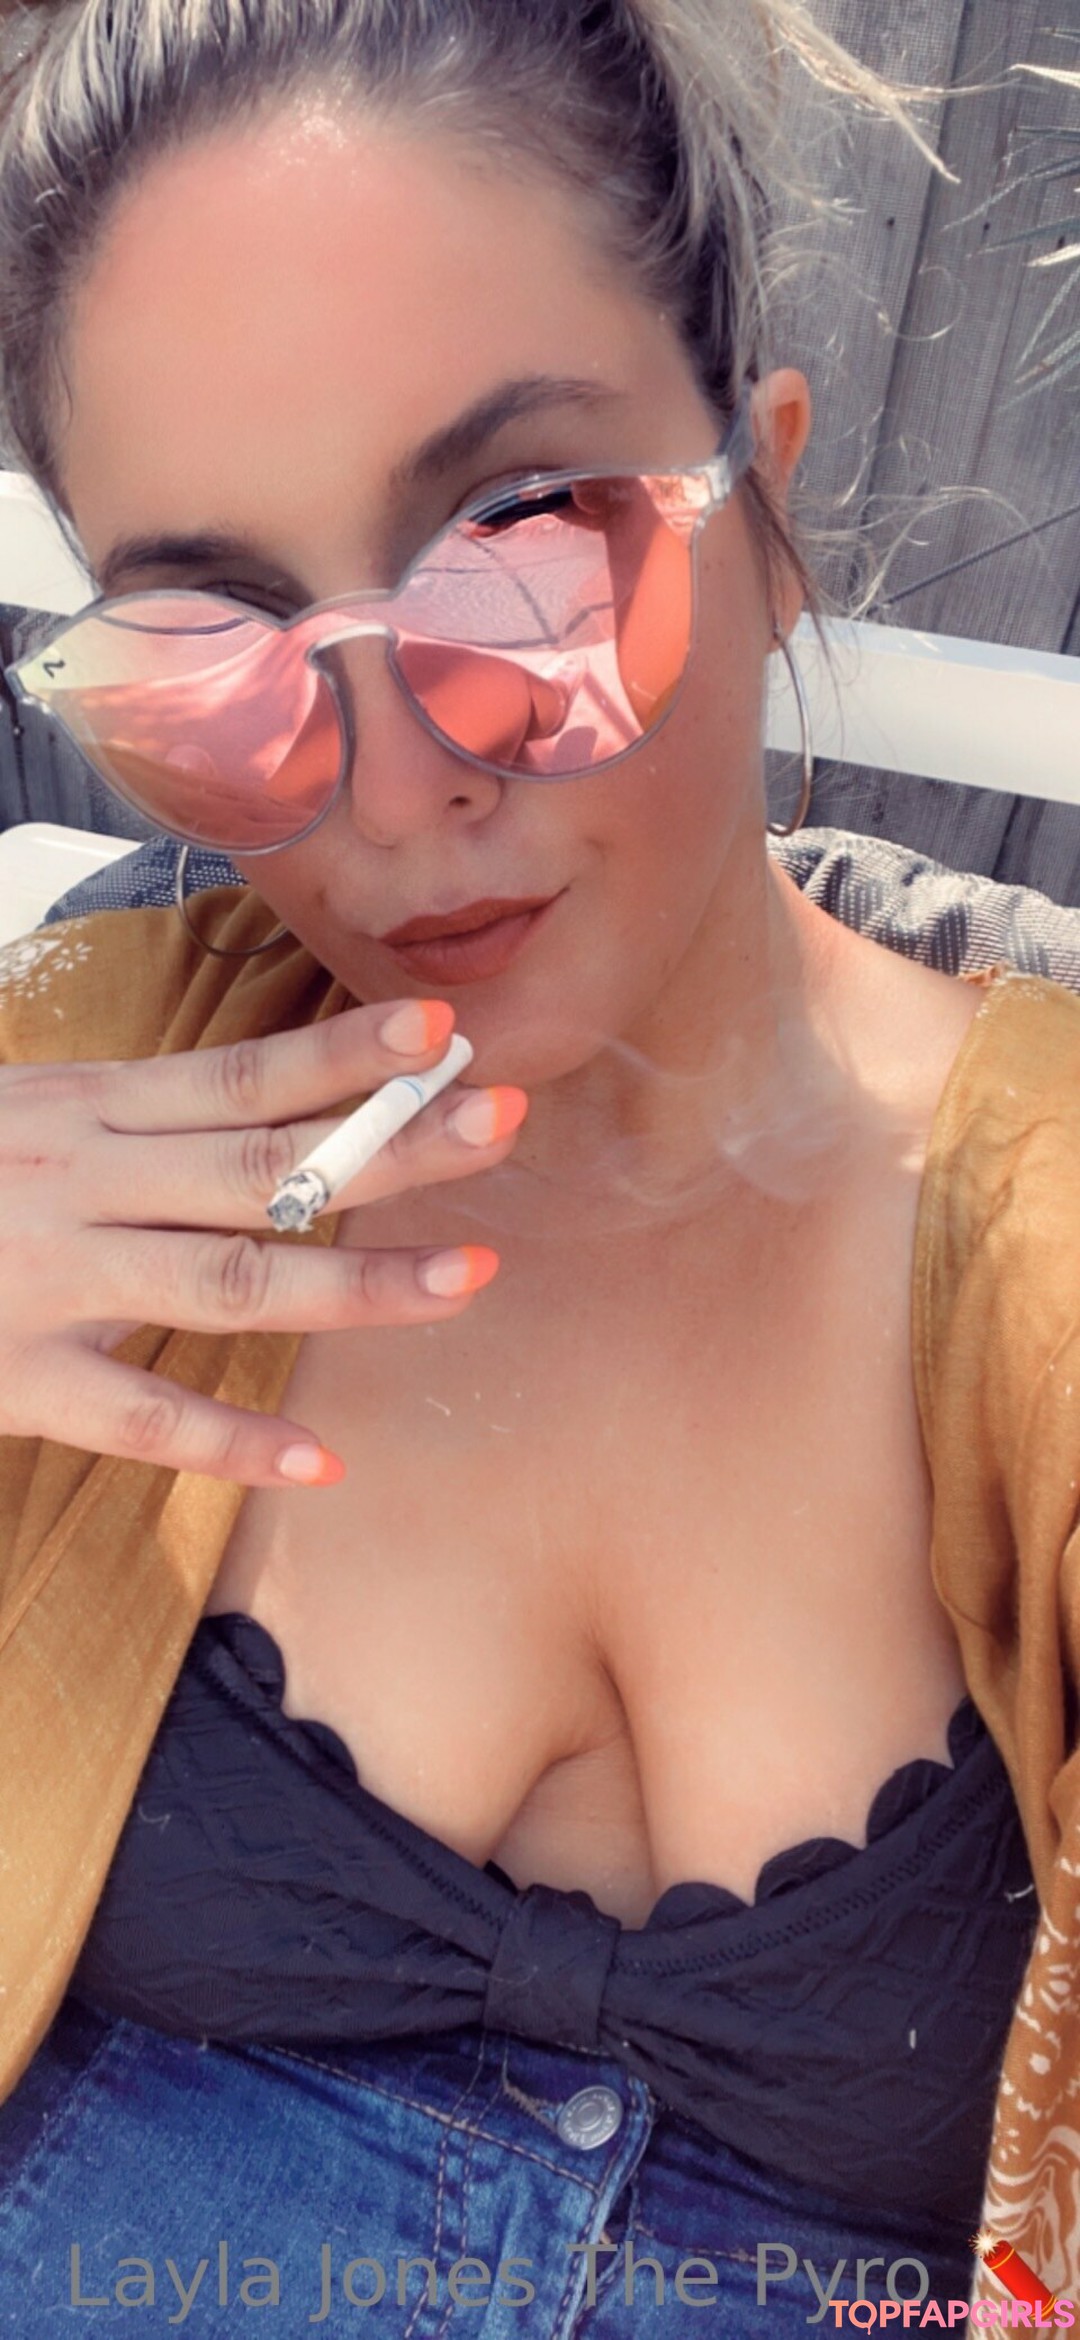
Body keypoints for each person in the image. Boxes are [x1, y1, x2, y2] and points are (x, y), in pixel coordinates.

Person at [0, 1, 1079, 2330]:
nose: (389, 793)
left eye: (525, 567)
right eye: (212, 661)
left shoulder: (1053, 1256)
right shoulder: (55, 1099)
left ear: (765, 503)